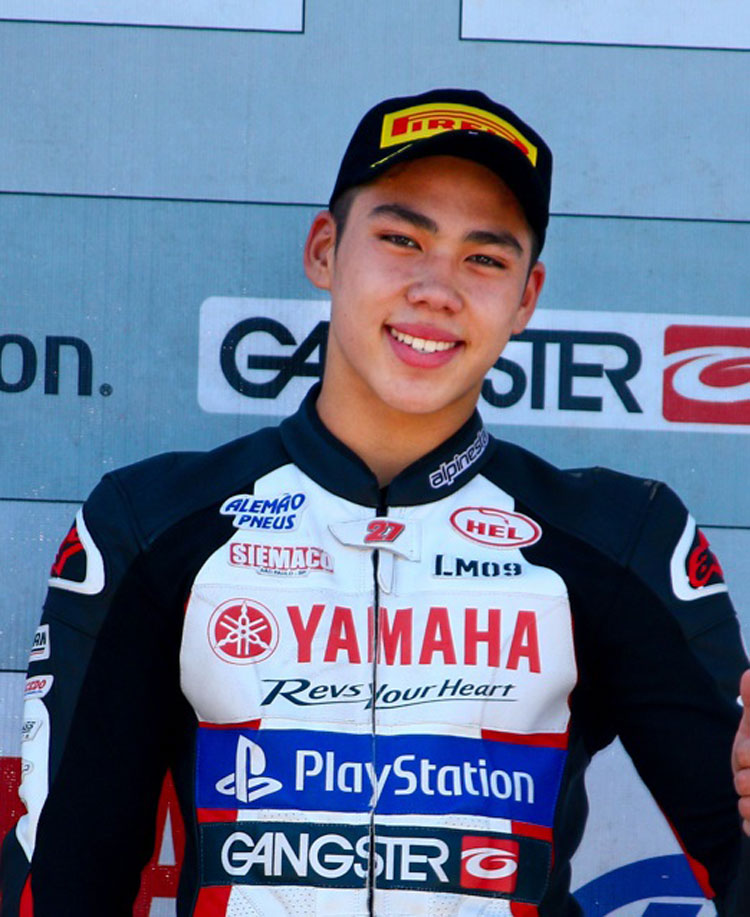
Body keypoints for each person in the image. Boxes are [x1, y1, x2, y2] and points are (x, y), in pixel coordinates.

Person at [1, 87, 749, 916]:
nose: (436, 289)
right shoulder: (153, 524)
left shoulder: (620, 541)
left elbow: (739, 849)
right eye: (402, 239)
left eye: (485, 259)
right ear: (325, 250)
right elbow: (62, 876)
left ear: (527, 298)